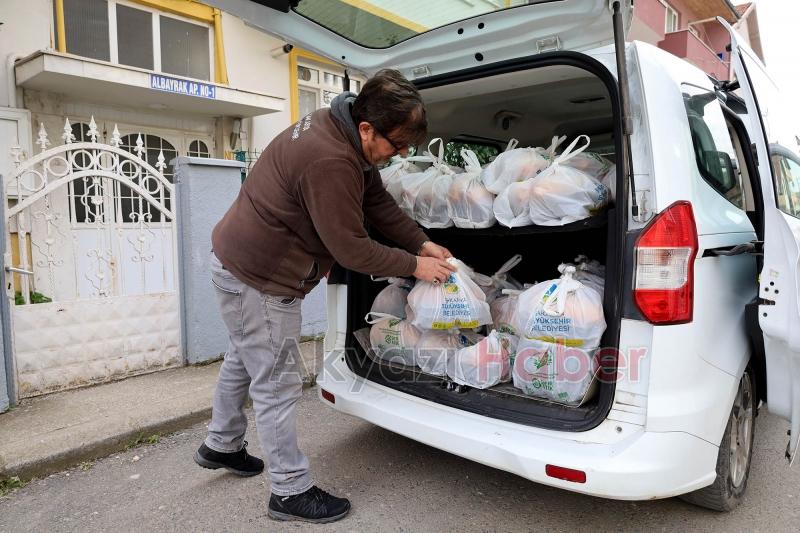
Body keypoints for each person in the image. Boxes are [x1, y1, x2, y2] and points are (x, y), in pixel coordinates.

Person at [193, 69, 455, 524]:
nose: (402, 155)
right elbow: (351, 248)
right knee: (276, 382)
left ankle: (222, 443)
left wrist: (420, 241)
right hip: (261, 278)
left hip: (238, 263)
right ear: (368, 128)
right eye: (398, 145)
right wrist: (417, 267)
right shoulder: (331, 160)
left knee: (245, 355)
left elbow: (376, 202)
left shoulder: (341, 128)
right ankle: (289, 492)